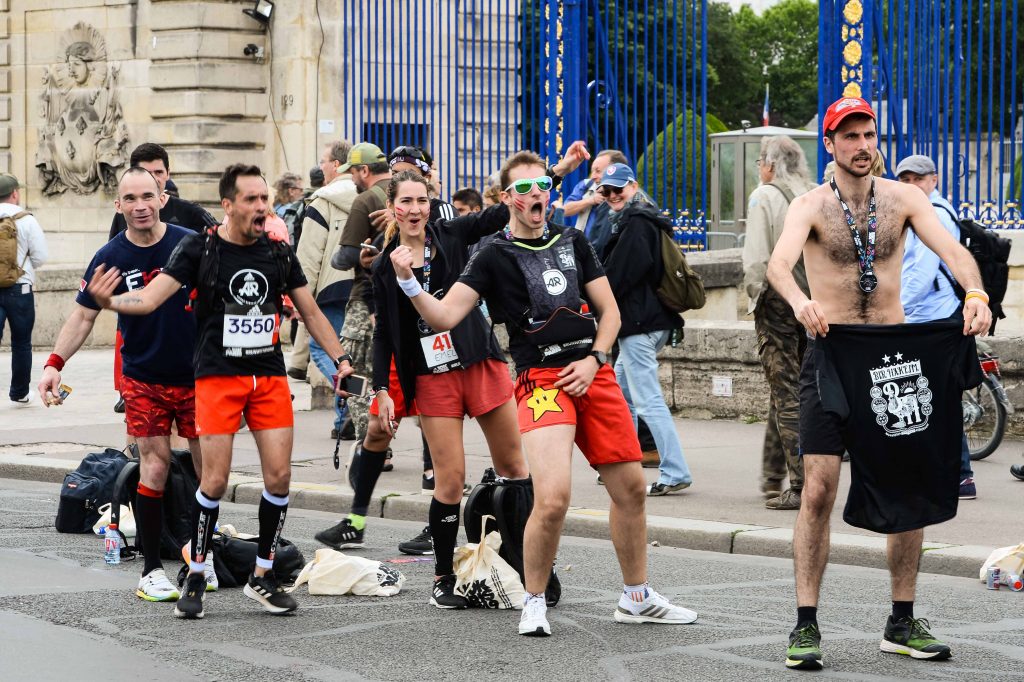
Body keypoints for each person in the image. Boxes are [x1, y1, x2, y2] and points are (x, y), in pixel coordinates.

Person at [396, 148, 697, 637]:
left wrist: (596, 358)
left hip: (592, 373)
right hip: (541, 382)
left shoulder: (575, 240)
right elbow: (445, 316)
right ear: (507, 198)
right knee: (553, 498)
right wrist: (409, 284)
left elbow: (611, 313)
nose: (537, 195)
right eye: (524, 189)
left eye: (543, 187)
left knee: (632, 490)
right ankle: (532, 600)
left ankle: (636, 596)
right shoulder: (491, 252)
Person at [766, 97, 991, 670]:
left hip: (893, 356)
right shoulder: (812, 205)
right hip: (832, 353)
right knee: (817, 488)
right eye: (850, 137)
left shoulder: (904, 198)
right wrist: (800, 301)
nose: (862, 145)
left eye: (868, 134)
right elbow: (778, 264)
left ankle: (901, 619)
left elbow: (956, 251)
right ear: (831, 145)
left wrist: (977, 293)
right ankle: (806, 624)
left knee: (907, 485)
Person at [85, 163, 355, 620]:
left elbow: (310, 312)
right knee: (214, 480)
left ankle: (264, 575)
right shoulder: (199, 249)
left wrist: (342, 362)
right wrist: (108, 301)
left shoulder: (277, 253)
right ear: (227, 205)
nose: (261, 207)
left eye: (264, 199)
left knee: (279, 479)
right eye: (251, 199)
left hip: (266, 377)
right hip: (216, 377)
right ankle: (196, 573)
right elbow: (150, 299)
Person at [321, 170, 529, 608]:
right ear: (392, 208)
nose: (415, 210)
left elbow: (495, 215)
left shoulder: (450, 235)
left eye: (422, 200)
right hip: (433, 376)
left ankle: (526, 564)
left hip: (478, 360)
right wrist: (381, 389)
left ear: (430, 203)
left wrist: (545, 178)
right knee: (449, 481)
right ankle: (442, 579)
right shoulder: (382, 264)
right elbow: (382, 336)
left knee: (513, 466)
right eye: (407, 202)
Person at [39, 166, 205, 601]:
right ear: (118, 205)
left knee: (211, 474)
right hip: (144, 377)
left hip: (198, 376)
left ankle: (200, 559)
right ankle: (151, 571)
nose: (140, 206)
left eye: (147, 196)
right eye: (130, 199)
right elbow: (83, 315)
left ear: (162, 197)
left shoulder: (190, 244)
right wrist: (55, 363)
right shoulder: (109, 257)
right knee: (154, 465)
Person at [597, 163, 693, 496]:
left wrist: (593, 291)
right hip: (646, 322)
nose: (611, 196)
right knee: (622, 391)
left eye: (617, 189)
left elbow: (622, 275)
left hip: (638, 324)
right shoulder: (640, 219)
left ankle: (675, 470)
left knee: (647, 399)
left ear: (633, 186)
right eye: (606, 191)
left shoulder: (636, 222)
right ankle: (624, 460)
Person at [106, 143, 217, 414]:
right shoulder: (124, 215)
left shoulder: (190, 214)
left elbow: (219, 250)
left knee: (187, 428)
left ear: (167, 175)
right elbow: (114, 259)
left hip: (185, 327)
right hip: (138, 325)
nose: (153, 178)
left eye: (158, 172)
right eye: (145, 172)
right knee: (136, 414)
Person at [895, 154, 979, 502]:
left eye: (918, 179)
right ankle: (940, 472)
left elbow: (922, 273)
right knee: (928, 395)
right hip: (928, 317)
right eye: (906, 180)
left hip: (934, 319)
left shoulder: (936, 215)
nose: (912, 185)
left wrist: (897, 310)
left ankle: (960, 475)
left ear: (934, 180)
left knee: (938, 397)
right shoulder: (917, 214)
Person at [742, 136, 817, 510]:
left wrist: (754, 299)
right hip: (813, 300)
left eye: (760, 160)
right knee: (793, 383)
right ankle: (772, 472)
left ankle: (801, 484)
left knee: (786, 390)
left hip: (777, 298)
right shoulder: (816, 193)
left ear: (769, 164)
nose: (759, 167)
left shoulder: (765, 196)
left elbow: (757, 257)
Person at [330, 143, 391, 448]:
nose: (351, 179)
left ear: (364, 171)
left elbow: (345, 257)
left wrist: (339, 256)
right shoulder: (409, 192)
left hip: (365, 299)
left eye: (352, 172)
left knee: (353, 372)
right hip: (406, 297)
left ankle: (373, 444)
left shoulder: (366, 200)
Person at [296, 140, 357, 439]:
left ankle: (357, 393)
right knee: (349, 352)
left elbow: (309, 253)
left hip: (332, 287)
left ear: (336, 165)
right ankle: (344, 420)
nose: (320, 167)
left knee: (325, 349)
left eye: (323, 161)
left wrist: (299, 295)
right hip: (363, 286)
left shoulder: (321, 201)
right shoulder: (370, 195)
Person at [0, 173, 48, 404]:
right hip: (20, 289)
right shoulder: (26, 220)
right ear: (15, 193)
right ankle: (19, 393)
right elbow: (40, 257)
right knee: (21, 343)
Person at [561, 149, 627, 258]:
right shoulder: (586, 186)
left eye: (598, 171)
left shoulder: (627, 195)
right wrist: (590, 200)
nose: (593, 176)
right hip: (584, 250)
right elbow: (565, 210)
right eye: (592, 171)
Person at [272, 172, 304, 243]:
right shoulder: (290, 211)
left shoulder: (273, 207)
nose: (303, 193)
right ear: (291, 191)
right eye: (301, 190)